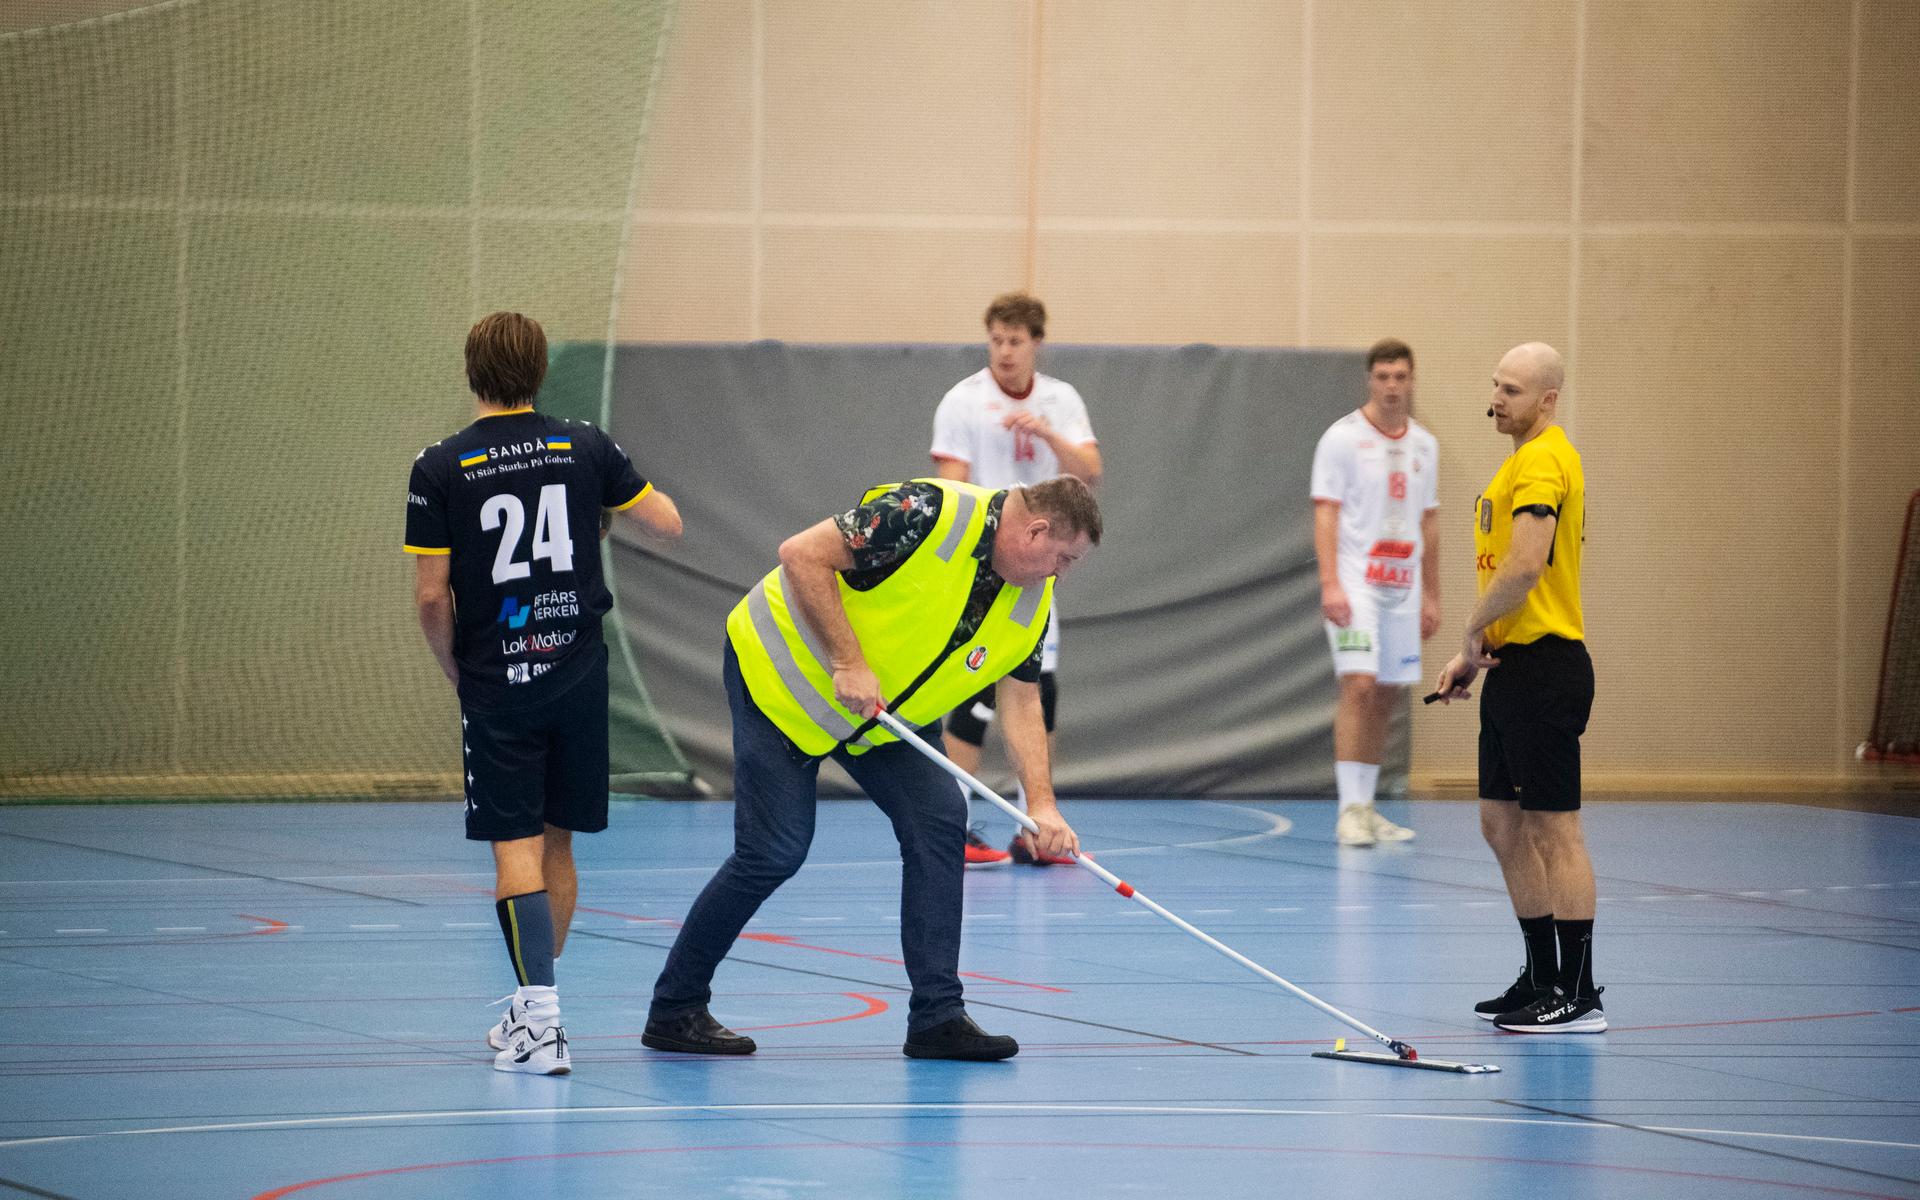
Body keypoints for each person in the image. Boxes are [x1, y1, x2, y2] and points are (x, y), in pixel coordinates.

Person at [642, 476, 1100, 1060]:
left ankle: (937, 1017)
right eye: (1063, 558)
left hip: (882, 721)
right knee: (774, 850)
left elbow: (1022, 699)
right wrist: (847, 660)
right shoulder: (927, 511)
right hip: (782, 684)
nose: (1061, 573)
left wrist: (1041, 805)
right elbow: (801, 554)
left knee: (940, 820)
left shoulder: (1032, 599)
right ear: (1036, 530)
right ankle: (675, 1007)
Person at [405, 311, 683, 1073]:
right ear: (539, 373)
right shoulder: (584, 443)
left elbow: (433, 598)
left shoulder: (440, 466)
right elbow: (666, 521)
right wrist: (596, 514)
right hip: (578, 671)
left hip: (500, 675)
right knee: (557, 841)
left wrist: (453, 667)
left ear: (472, 373)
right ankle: (537, 1014)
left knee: (514, 847)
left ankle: (538, 1027)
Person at [1432, 342, 1601, 1033]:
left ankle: (1580, 992)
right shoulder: (1516, 463)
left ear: (1548, 400)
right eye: (1495, 385)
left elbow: (1528, 565)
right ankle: (1539, 977)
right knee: (1500, 823)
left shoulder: (1544, 459)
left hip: (1546, 668)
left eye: (1513, 390)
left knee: (1554, 829)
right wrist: (1474, 654)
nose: (1497, 399)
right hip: (1509, 667)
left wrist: (1471, 631)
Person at [930, 292, 1102, 867]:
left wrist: (1049, 435)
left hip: (1039, 569)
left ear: (1036, 344)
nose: (1005, 352)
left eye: (1016, 341)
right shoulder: (963, 401)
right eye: (996, 340)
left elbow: (1090, 473)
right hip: (987, 563)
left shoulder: (1061, 400)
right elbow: (951, 485)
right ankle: (953, 822)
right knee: (973, 685)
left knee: (1037, 686)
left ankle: (1036, 825)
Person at [1311, 339, 1441, 847]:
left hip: (1402, 588)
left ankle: (1367, 806)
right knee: (1359, 686)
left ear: (1411, 381)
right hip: (1356, 583)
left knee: (1388, 693)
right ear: (1370, 380)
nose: (1391, 386)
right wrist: (1330, 583)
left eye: (1401, 377)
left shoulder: (1424, 446)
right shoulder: (1341, 439)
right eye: (1383, 376)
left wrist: (1432, 594)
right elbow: (1326, 511)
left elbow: (1429, 521)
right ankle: (1348, 809)